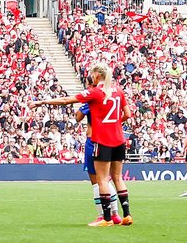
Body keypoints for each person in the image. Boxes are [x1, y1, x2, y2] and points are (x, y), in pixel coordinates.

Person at [35, 62, 132, 227]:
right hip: (119, 140)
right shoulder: (119, 91)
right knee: (117, 178)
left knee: (101, 180)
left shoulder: (94, 93)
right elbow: (127, 114)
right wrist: (113, 124)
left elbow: (67, 101)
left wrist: (43, 102)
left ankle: (107, 219)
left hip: (102, 140)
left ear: (96, 75)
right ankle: (127, 215)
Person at [75, 96, 120, 225]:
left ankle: (102, 215)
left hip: (93, 141)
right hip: (109, 139)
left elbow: (78, 117)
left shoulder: (92, 102)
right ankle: (115, 214)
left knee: (97, 181)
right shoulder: (111, 99)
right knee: (106, 178)